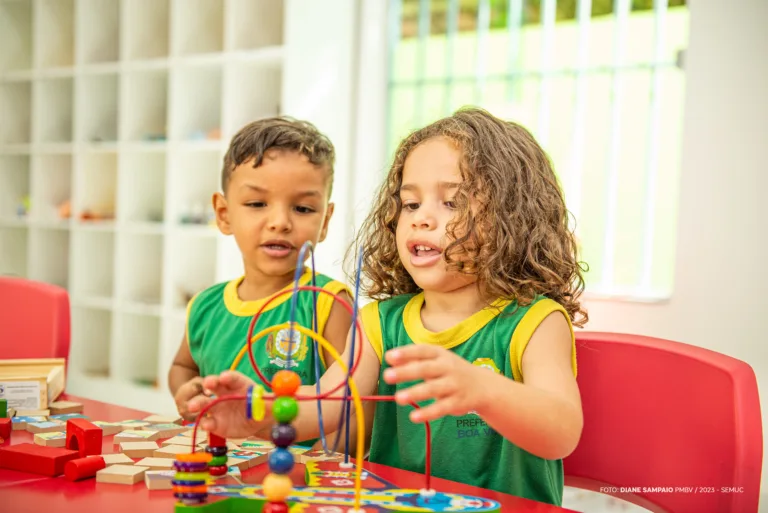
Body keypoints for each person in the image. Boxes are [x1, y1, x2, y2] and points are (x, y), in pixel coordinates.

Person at [188, 107, 587, 506]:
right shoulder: (380, 322)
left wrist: (483, 390)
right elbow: (328, 406)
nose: (421, 219)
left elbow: (562, 432)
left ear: (511, 218)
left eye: (452, 202)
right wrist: (259, 411)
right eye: (410, 204)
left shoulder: (535, 321)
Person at [169, 117, 353, 442]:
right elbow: (183, 367)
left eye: (303, 208)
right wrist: (188, 389)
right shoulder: (205, 305)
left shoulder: (330, 302)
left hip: (296, 483)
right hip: (217, 473)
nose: (280, 222)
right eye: (257, 204)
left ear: (325, 221)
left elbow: (352, 408)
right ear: (224, 215)